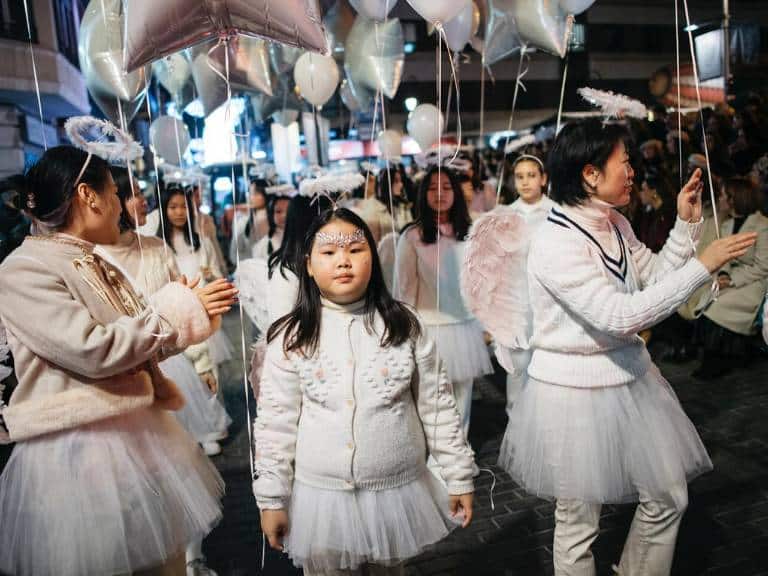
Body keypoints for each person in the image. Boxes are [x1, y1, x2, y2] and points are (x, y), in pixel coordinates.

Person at [498, 119, 756, 576]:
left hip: (630, 376)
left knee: (668, 495)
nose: (634, 171)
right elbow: (621, 316)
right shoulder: (555, 242)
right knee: (578, 524)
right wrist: (702, 266)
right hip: (574, 392)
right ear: (590, 174)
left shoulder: (613, 220)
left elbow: (653, 277)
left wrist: (685, 223)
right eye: (625, 161)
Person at [0, 146, 238, 576]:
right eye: (114, 192)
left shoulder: (90, 259)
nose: (122, 208)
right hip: (79, 451)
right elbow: (94, 350)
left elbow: (135, 345)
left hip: (137, 434)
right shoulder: (24, 269)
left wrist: (188, 308)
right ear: (90, 196)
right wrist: (173, 309)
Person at [253, 208, 476, 575]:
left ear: (373, 257)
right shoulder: (291, 338)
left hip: (395, 491)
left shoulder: (404, 325)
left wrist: (458, 475)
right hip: (322, 499)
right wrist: (272, 498)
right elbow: (276, 424)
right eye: (329, 253)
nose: (343, 261)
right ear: (308, 265)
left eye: (355, 250)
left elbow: (437, 406)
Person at [108, 168, 231, 459]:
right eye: (135, 194)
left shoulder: (156, 248)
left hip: (169, 359)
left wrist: (201, 363)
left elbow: (184, 306)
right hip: (120, 381)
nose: (143, 201)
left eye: (142, 193)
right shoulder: (89, 258)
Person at [395, 166, 493, 440]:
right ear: (422, 194)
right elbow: (405, 290)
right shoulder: (412, 236)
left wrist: (486, 323)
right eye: (432, 188)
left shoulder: (470, 231)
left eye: (447, 187)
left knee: (463, 396)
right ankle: (438, 458)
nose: (440, 194)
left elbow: (480, 283)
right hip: (429, 330)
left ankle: (461, 452)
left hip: (465, 327)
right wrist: (406, 334)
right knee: (433, 398)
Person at [693, 177, 768, 379]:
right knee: (707, 296)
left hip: (753, 282)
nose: (721, 199)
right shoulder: (726, 225)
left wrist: (732, 280)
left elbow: (763, 267)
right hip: (731, 277)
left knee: (719, 304)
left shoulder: (761, 225)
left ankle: (718, 360)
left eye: (725, 195)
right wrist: (724, 274)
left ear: (735, 198)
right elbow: (723, 255)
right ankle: (713, 356)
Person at [158, 186, 234, 376]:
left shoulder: (202, 243)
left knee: (209, 376)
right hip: (174, 319)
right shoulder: (158, 247)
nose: (179, 212)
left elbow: (217, 277)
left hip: (203, 312)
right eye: (173, 207)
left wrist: (209, 275)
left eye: (184, 206)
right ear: (164, 210)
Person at [501, 153, 554, 419]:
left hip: (550, 298)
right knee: (518, 362)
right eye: (519, 176)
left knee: (549, 360)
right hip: (518, 299)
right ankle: (516, 423)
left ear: (543, 179)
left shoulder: (556, 212)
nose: (525, 182)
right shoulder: (507, 214)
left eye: (531, 175)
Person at [632, 171, 677, 253]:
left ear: (654, 192)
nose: (640, 193)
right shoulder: (648, 214)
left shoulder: (669, 214)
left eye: (643, 189)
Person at [230, 179, 269, 265]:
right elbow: (234, 253)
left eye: (256, 193)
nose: (251, 197)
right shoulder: (242, 220)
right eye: (250, 193)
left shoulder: (274, 219)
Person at [251, 185, 292, 260]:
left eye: (289, 210)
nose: (284, 215)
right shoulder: (261, 246)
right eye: (278, 211)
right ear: (271, 214)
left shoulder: (304, 239)